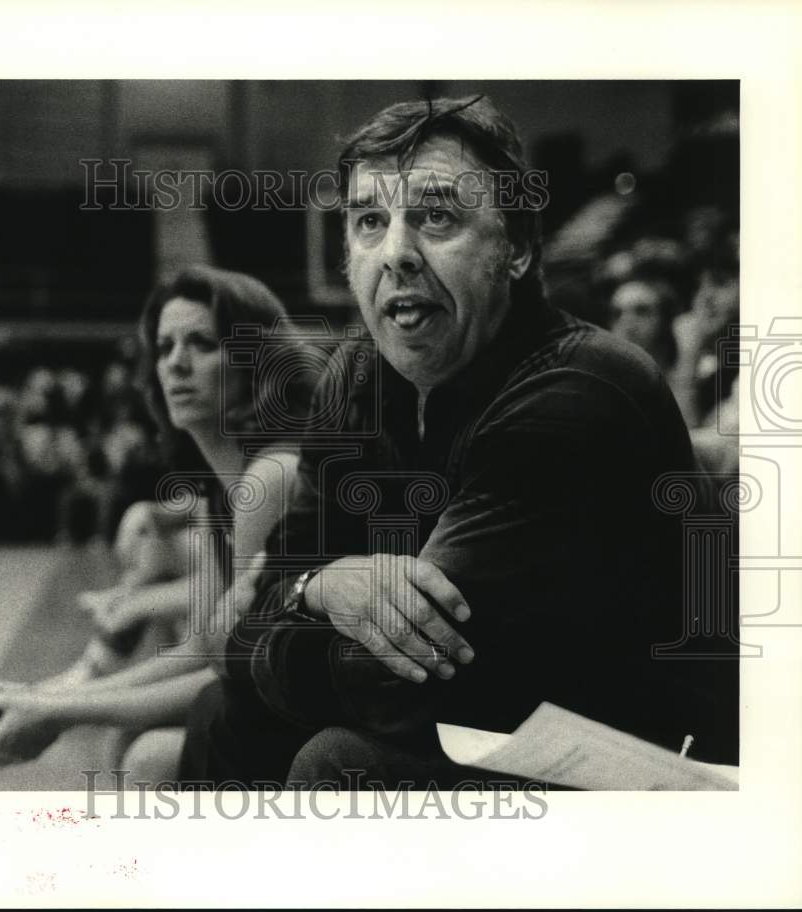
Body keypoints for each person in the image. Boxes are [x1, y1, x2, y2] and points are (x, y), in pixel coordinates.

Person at [180, 95, 739, 788]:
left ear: (517, 249)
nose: (397, 254)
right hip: (500, 733)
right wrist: (317, 587)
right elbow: (244, 633)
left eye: (436, 217)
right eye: (368, 222)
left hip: (660, 769)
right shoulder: (356, 379)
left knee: (340, 765)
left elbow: (404, 689)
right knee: (221, 717)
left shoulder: (580, 389)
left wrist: (283, 614)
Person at [0, 266, 306, 781]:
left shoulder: (270, 479)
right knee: (130, 739)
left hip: (331, 717)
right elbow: (202, 647)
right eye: (165, 347)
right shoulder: (220, 490)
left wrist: (60, 713)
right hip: (273, 695)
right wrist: (48, 697)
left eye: (202, 344)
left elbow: (231, 678)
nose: (176, 364)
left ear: (257, 362)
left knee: (149, 758)